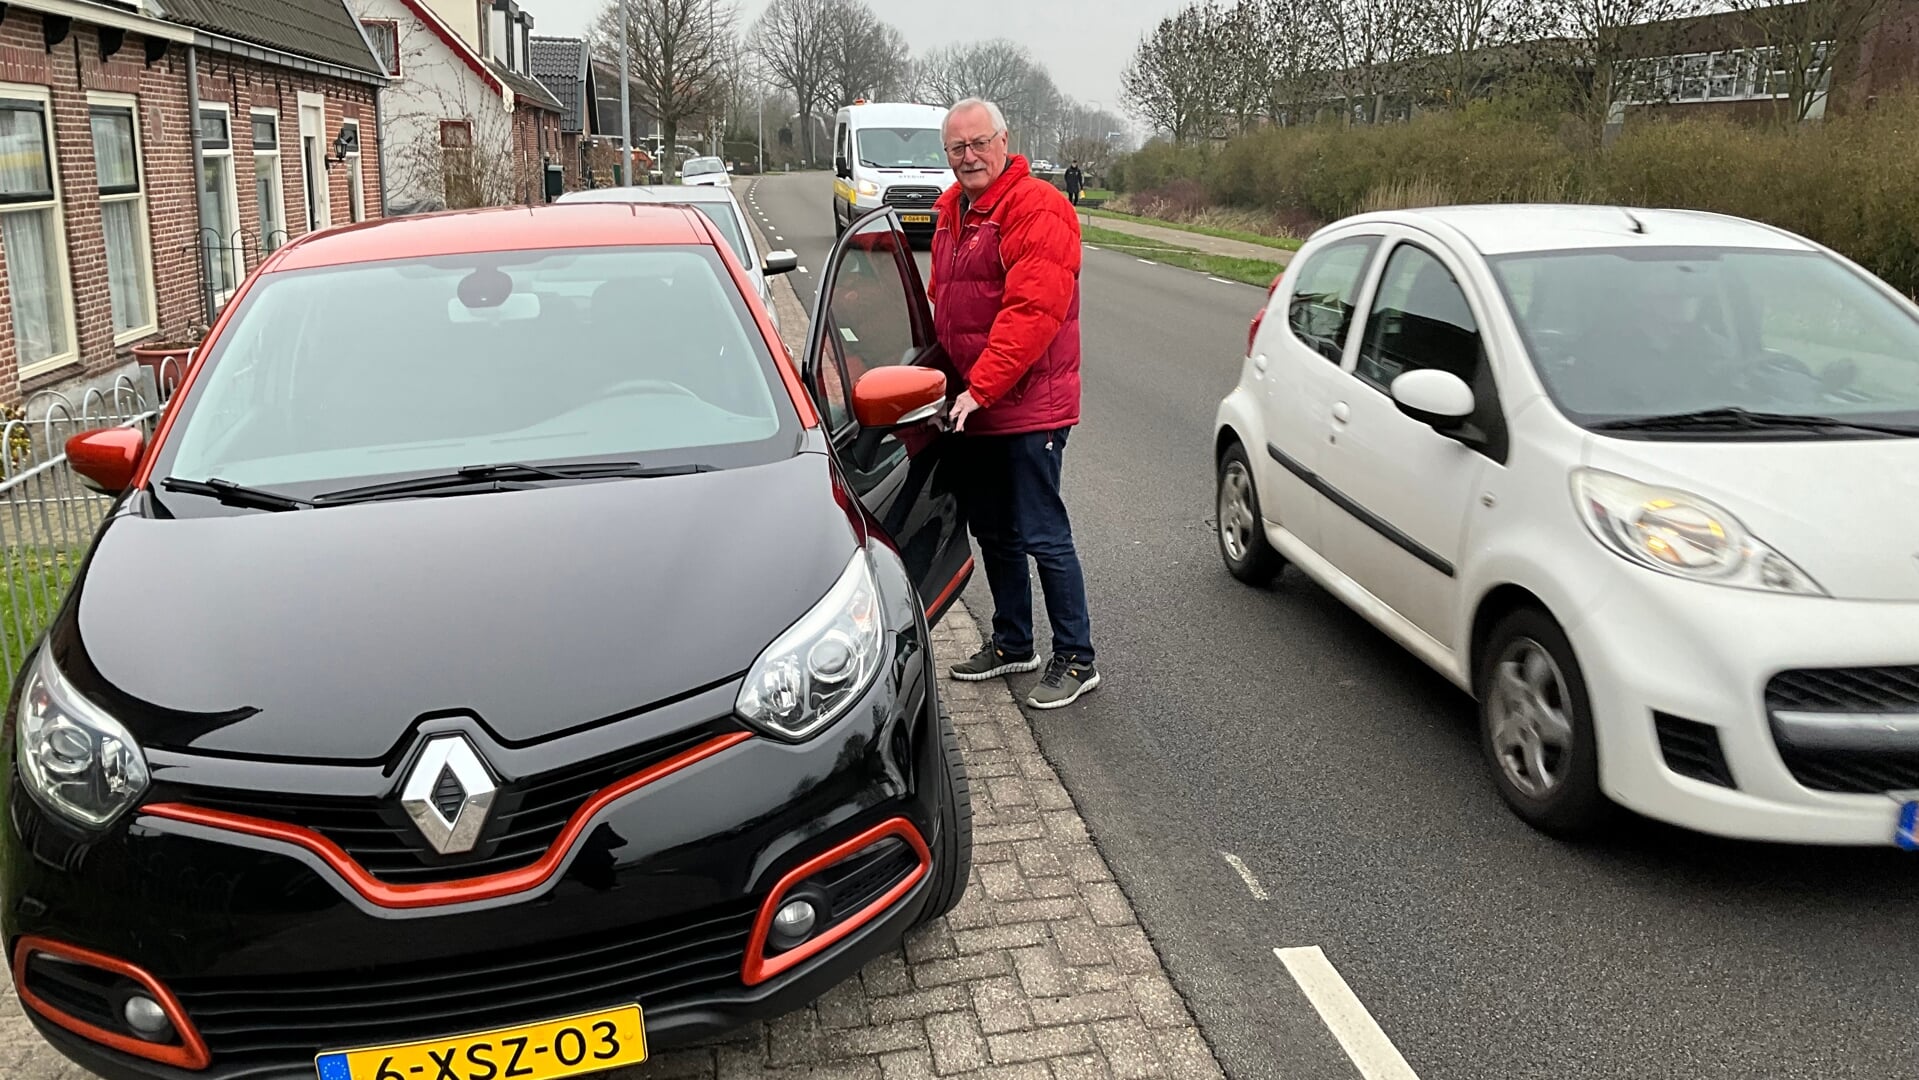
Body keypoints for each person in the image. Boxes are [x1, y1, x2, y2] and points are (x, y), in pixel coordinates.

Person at [927, 98, 1100, 710]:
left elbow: (1031, 315)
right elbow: (946, 303)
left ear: (1005, 142)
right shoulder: (953, 210)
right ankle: (1012, 643)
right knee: (995, 529)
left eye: (979, 143)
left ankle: (1077, 657)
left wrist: (981, 388)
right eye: (956, 148)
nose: (968, 157)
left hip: (1028, 402)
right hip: (977, 403)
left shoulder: (1038, 209)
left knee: (1041, 532)